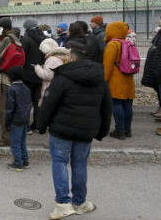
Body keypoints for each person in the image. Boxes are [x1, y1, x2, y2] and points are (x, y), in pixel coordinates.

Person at [38, 43, 112, 220]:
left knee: (60, 163)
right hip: (86, 130)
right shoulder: (99, 79)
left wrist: (41, 125)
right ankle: (79, 202)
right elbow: (107, 107)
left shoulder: (63, 77)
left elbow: (49, 103)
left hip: (62, 129)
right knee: (80, 164)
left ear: (72, 57)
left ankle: (63, 204)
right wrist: (102, 131)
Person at [103, 21, 135, 140]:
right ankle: (127, 130)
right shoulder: (128, 42)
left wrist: (104, 81)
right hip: (128, 78)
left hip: (116, 80)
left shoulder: (112, 44)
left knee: (117, 104)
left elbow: (107, 65)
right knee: (128, 105)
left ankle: (119, 131)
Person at [0, 18, 20, 147]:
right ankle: (11, 136)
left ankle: (5, 138)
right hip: (12, 78)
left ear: (2, 28)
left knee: (2, 110)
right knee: (10, 110)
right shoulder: (16, 38)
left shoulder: (7, 39)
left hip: (3, 80)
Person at [5, 66, 31, 171]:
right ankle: (25, 161)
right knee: (22, 142)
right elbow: (29, 105)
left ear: (10, 77)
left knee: (15, 143)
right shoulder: (26, 88)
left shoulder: (11, 89)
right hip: (25, 119)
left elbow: (10, 108)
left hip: (15, 120)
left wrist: (7, 121)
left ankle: (18, 163)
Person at [21, 19, 45, 132]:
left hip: (27, 74)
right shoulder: (44, 38)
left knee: (26, 102)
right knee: (37, 101)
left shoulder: (26, 39)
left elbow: (22, 56)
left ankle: (26, 126)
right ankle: (37, 125)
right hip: (40, 73)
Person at [34, 39, 70, 108]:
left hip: (50, 89)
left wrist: (37, 68)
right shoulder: (61, 56)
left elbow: (47, 75)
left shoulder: (52, 59)